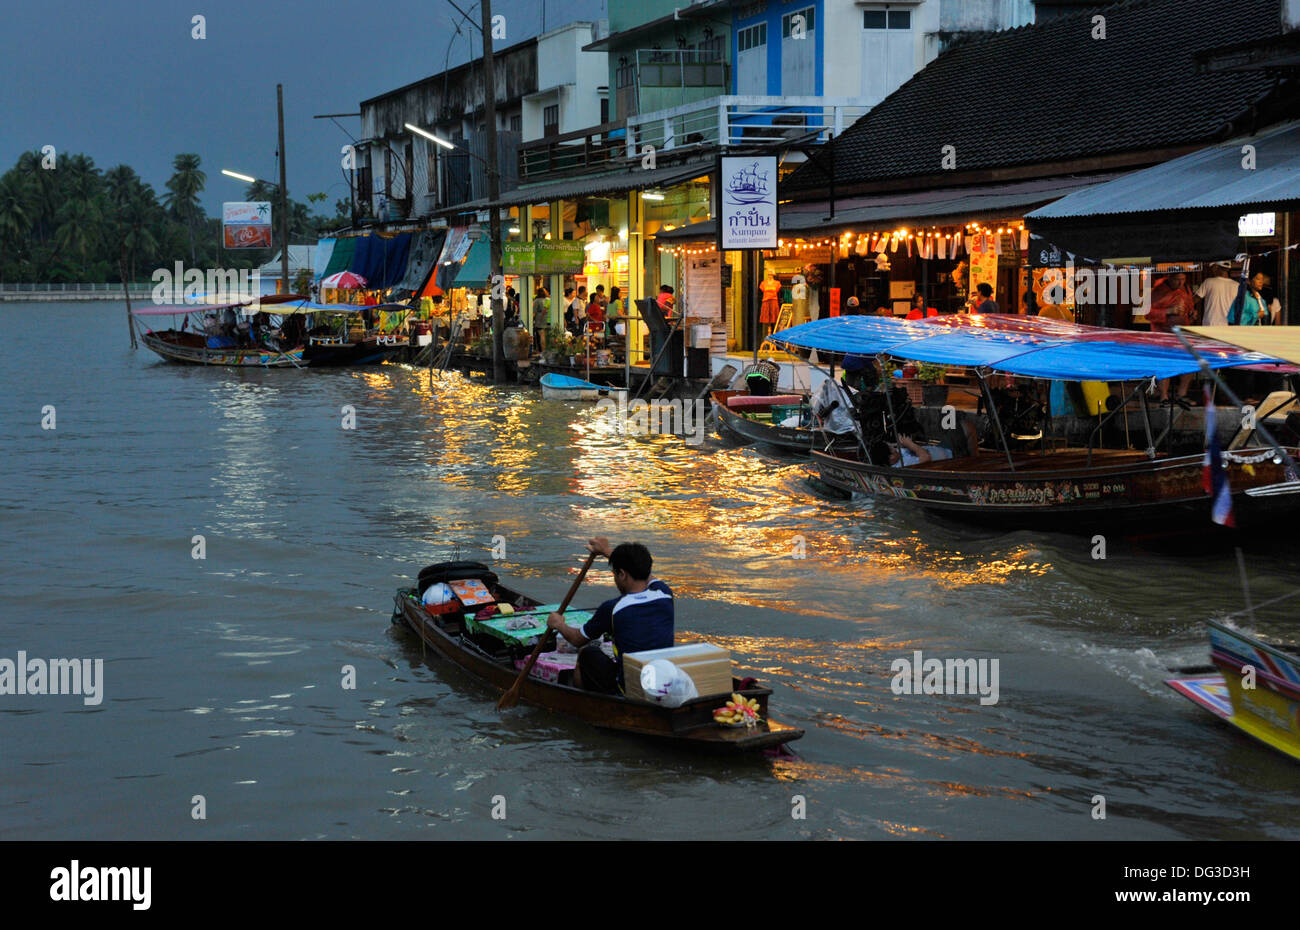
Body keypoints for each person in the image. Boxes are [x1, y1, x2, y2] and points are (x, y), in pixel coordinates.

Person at [547, 537, 673, 694]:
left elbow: (577, 639)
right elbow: (643, 573)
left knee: (587, 653)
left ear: (622, 574)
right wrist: (607, 551)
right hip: (663, 679)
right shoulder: (664, 593)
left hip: (629, 687)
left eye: (615, 573)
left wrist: (558, 624)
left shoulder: (613, 608)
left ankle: (584, 702)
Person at [1195, 262, 1238, 327]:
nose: (1212, 270)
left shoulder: (1208, 282)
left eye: (1212, 267)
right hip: (1228, 325)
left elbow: (1195, 299)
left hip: (1211, 324)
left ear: (1216, 267)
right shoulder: (1237, 285)